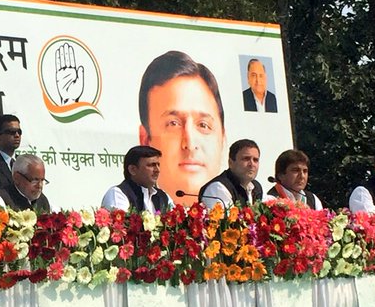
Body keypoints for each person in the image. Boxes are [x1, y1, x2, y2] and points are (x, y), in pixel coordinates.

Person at [137, 51, 227, 207]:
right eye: (173, 123)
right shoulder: (129, 200)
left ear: (222, 140)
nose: (190, 144)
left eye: (203, 125)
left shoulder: (239, 201)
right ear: (145, 141)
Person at [101, 145, 171, 214]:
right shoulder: (118, 194)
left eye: (158, 165)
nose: (157, 170)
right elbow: (122, 223)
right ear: (133, 170)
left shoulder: (162, 196)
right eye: (151, 165)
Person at [199, 139, 263, 209]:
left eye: (255, 160)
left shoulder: (256, 187)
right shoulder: (217, 188)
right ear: (231, 163)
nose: (252, 164)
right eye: (246, 159)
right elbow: (225, 219)